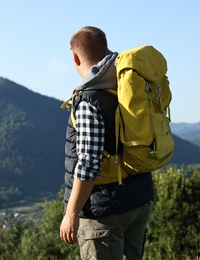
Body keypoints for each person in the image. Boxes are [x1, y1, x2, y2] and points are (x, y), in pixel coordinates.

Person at [59, 26, 154, 259]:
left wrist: (71, 213)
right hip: (138, 199)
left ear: (75, 57)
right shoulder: (128, 84)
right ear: (106, 47)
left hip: (104, 212)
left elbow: (89, 164)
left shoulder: (90, 99)